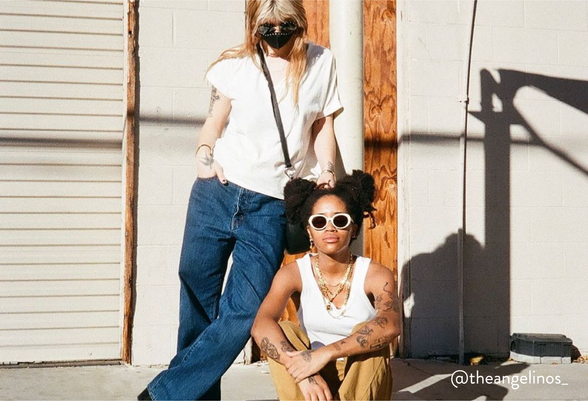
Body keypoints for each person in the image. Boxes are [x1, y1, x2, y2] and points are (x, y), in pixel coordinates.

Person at [138, 0, 343, 399]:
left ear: (298, 23)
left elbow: (323, 126)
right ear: (254, 25)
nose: (275, 32)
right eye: (266, 24)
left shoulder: (321, 63)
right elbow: (214, 121)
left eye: (284, 23)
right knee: (196, 299)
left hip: (269, 206)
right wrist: (203, 156)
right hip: (216, 194)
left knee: (244, 309)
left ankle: (164, 394)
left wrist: (329, 169)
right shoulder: (237, 64)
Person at [251, 170, 402, 401]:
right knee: (286, 331)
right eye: (319, 221)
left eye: (339, 220)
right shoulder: (293, 273)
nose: (329, 228)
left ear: (353, 229)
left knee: (371, 331)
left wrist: (324, 354)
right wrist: (303, 373)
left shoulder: (375, 274)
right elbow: (261, 323)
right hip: (312, 375)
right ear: (309, 231)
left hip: (361, 375)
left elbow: (391, 325)